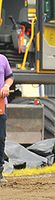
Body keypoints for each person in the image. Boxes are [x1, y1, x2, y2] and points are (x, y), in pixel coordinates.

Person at [0, 54, 13, 184]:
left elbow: (10, 77)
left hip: (0, 104)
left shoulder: (2, 59)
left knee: (0, 138)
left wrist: (6, 86)